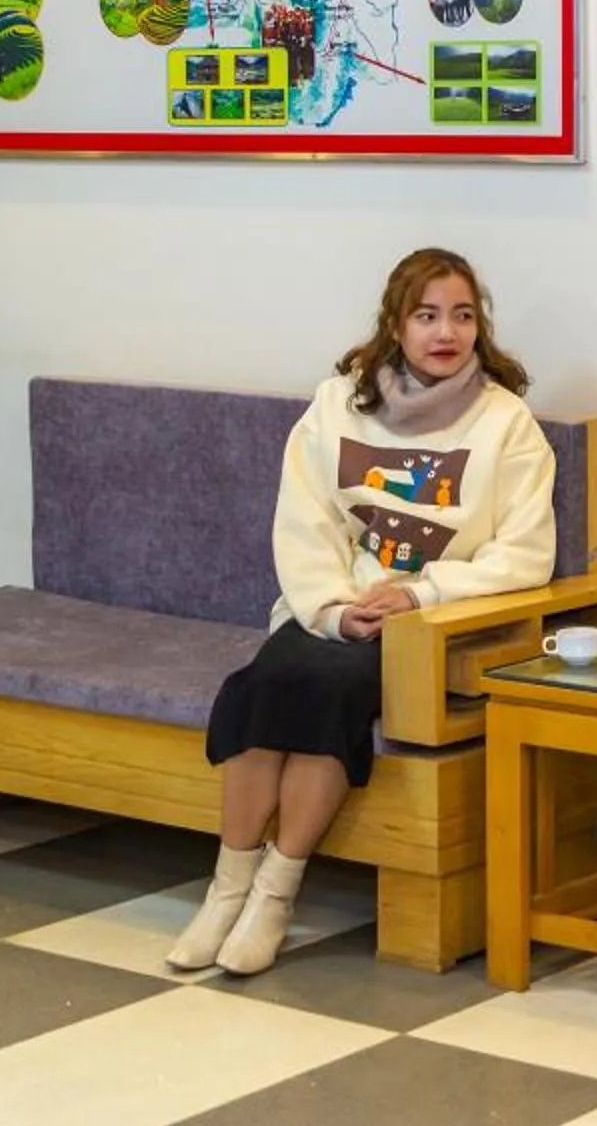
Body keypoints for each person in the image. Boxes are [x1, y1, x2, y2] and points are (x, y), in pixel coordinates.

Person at [165, 248, 556, 976]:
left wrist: (420, 593)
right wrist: (334, 609)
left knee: (331, 696)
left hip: (425, 627)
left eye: (463, 316)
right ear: (396, 325)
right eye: (428, 315)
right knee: (264, 685)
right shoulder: (337, 405)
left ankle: (276, 895)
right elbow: (304, 522)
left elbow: (526, 556)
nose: (447, 332)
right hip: (332, 611)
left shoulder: (507, 425)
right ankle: (226, 893)